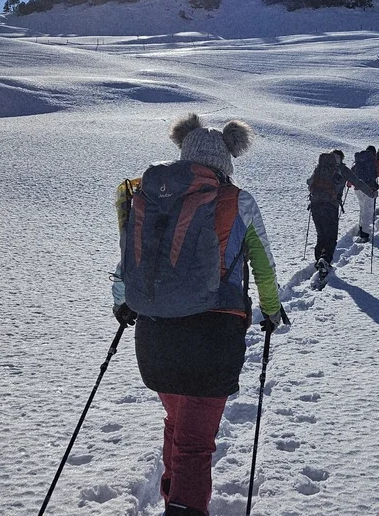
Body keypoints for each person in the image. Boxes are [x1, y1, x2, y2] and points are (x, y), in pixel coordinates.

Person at [111, 114, 287, 516]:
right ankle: (183, 507)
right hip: (212, 339)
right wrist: (272, 312)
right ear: (227, 161)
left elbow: (127, 261)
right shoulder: (237, 201)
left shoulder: (151, 197)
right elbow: (264, 267)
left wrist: (122, 304)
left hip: (154, 337)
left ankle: (174, 496)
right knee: (193, 441)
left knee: (177, 423)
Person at [307, 149, 374, 284]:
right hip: (330, 206)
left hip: (315, 205)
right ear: (341, 158)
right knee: (331, 236)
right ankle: (325, 261)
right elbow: (357, 182)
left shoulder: (320, 166)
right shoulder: (342, 169)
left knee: (321, 235)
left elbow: (309, 182)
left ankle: (319, 261)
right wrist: (371, 192)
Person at [349, 145, 379, 242]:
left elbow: (351, 174)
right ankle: (365, 234)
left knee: (362, 208)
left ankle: (361, 227)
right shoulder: (375, 162)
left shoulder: (358, 161)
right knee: (368, 211)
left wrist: (349, 184)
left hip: (358, 189)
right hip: (370, 189)